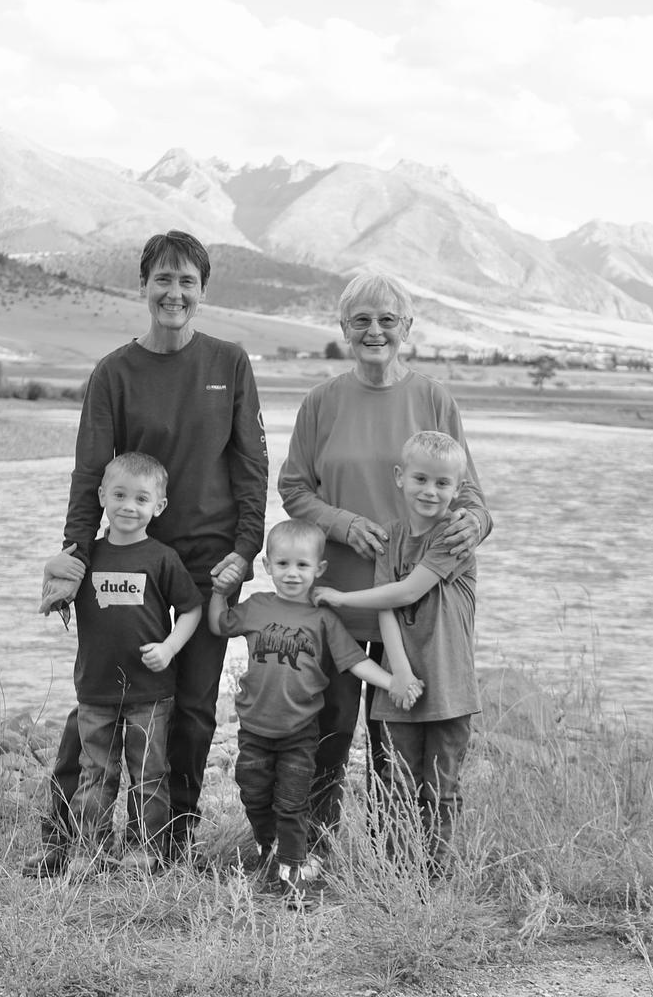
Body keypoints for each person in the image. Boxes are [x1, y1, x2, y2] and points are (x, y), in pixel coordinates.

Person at [25, 230, 268, 876]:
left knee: (193, 708)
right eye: (163, 279)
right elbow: (89, 473)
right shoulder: (114, 373)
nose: (174, 293)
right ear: (143, 286)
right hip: (125, 559)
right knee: (101, 699)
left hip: (208, 566)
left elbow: (251, 466)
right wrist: (75, 557)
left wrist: (246, 549)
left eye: (187, 281)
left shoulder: (229, 363)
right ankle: (64, 841)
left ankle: (170, 845)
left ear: (202, 291)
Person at [277, 271, 491, 862]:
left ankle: (394, 863)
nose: (375, 331)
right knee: (324, 736)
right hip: (338, 604)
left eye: (387, 320)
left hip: (417, 617)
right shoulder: (322, 402)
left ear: (407, 328)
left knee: (393, 752)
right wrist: (342, 523)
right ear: (344, 329)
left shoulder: (433, 399)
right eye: (362, 320)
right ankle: (309, 856)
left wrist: (477, 523)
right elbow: (293, 488)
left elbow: (470, 495)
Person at [209, 519, 419, 907]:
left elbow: (355, 661)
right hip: (254, 728)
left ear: (318, 569)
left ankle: (292, 874)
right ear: (268, 566)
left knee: (293, 802)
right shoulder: (256, 607)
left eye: (302, 565)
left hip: (299, 730)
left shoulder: (323, 620)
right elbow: (220, 625)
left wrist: (392, 682)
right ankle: (268, 845)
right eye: (283, 564)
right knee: (253, 792)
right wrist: (219, 593)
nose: (292, 573)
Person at [313, 431, 479, 870]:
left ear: (458, 489)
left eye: (442, 483)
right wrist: (399, 674)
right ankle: (398, 872)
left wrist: (341, 598)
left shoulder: (454, 536)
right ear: (399, 477)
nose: (430, 491)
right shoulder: (390, 536)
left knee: (440, 786)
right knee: (397, 782)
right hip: (402, 686)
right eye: (421, 479)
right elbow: (386, 605)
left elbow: (406, 591)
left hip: (447, 685)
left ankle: (434, 873)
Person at [62, 452, 203, 864]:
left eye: (141, 499)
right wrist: (54, 594)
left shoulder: (162, 558)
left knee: (149, 774)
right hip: (95, 688)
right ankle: (91, 849)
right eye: (119, 495)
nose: (128, 506)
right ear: (101, 496)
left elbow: (191, 609)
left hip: (150, 691)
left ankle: (146, 848)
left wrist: (169, 648)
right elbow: (58, 587)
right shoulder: (85, 558)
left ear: (159, 506)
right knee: (95, 772)